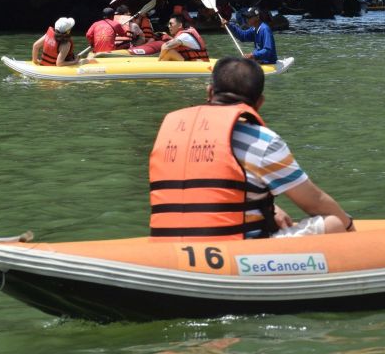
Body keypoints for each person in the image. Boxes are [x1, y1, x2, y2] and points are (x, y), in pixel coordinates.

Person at [148, 56, 354, 238]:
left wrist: (270, 208)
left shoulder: (169, 130)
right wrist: (349, 227)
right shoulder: (262, 141)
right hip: (235, 251)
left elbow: (203, 187)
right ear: (260, 102)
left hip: (167, 244)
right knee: (334, 223)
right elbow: (314, 201)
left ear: (210, 92)